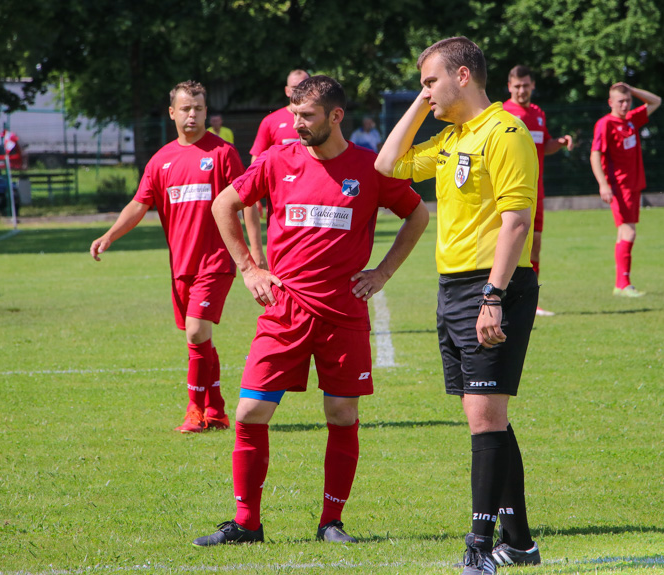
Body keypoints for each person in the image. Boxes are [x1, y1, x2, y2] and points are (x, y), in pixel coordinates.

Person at [193, 75, 429, 547]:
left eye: (306, 116)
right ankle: (247, 524)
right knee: (250, 411)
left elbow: (418, 215)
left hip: (343, 313)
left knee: (341, 414)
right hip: (284, 310)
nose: (295, 123)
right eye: (294, 114)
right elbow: (225, 204)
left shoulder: (371, 167)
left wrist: (381, 273)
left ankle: (331, 523)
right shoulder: (277, 159)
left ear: (335, 116)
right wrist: (249, 268)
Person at [376, 37, 541, 574]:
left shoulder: (507, 131)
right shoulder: (452, 138)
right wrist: (420, 104)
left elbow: (516, 222)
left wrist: (493, 296)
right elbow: (388, 164)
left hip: (495, 286)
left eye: (431, 81)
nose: (426, 93)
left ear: (463, 75)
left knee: (485, 417)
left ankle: (480, 543)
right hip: (452, 289)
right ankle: (520, 543)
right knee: (485, 416)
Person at [90, 80, 249, 433]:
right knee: (200, 336)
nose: (193, 115)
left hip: (215, 262)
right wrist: (109, 235)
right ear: (172, 112)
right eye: (186, 109)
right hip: (181, 266)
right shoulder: (161, 160)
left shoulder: (222, 154)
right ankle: (217, 410)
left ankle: (194, 410)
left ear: (207, 112)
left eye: (199, 109)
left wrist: (254, 253)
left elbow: (245, 200)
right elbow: (138, 204)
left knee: (195, 332)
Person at [502, 65, 573, 317]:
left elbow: (545, 145)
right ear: (509, 87)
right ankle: (501, 297)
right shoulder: (502, 113)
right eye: (517, 86)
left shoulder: (538, 113)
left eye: (526, 85)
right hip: (511, 191)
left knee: (535, 246)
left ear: (532, 86)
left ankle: (531, 301)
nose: (522, 90)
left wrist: (560, 143)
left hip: (537, 191)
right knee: (507, 243)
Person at [590, 82, 662, 297]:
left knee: (624, 232)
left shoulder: (631, 120)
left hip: (633, 185)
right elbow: (595, 155)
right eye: (620, 101)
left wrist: (632, 89)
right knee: (628, 231)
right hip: (619, 187)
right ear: (610, 102)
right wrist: (603, 184)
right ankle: (623, 284)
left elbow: (656, 101)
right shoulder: (605, 124)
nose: (625, 104)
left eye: (627, 100)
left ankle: (621, 285)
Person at [245, 69, 311, 267]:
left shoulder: (320, 120)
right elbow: (256, 160)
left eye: (305, 86)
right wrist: (253, 195)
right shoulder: (271, 121)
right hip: (282, 198)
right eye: (295, 87)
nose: (300, 91)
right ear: (286, 91)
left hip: (314, 192)